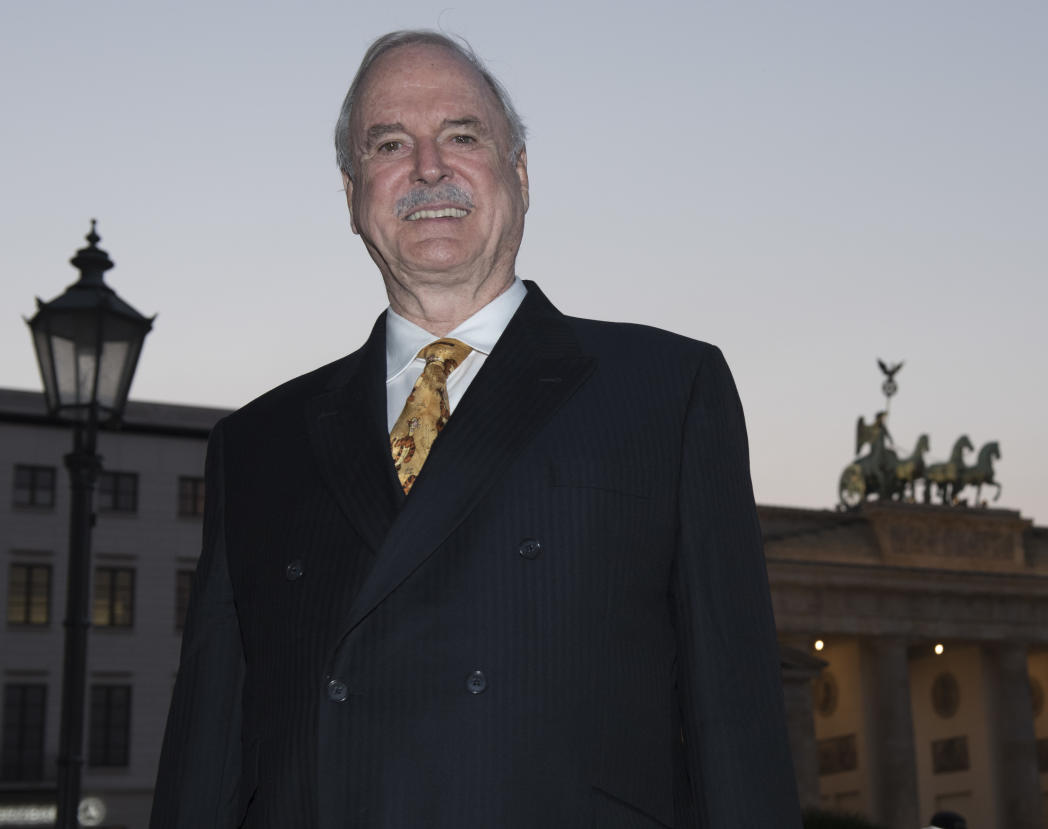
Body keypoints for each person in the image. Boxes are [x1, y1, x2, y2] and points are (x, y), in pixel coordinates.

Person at [150, 29, 800, 828]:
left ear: (519, 175)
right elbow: (205, 760)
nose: (428, 167)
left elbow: (737, 739)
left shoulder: (669, 392)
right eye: (390, 143)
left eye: (463, 135)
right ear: (353, 196)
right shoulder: (255, 445)